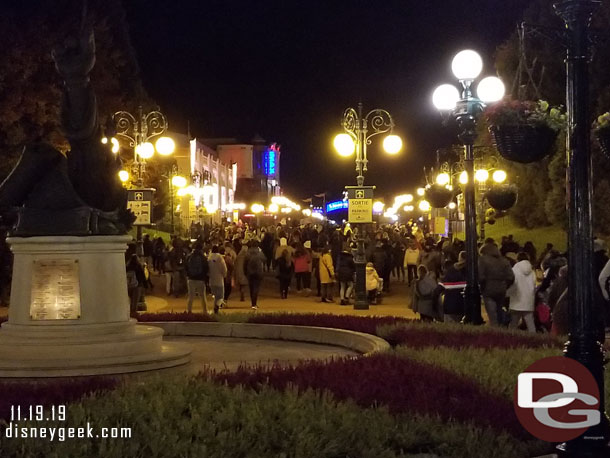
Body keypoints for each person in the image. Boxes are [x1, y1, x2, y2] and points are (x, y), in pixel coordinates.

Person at [479, 241, 515, 326]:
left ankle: (495, 332)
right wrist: (505, 286)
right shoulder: (504, 261)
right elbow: (511, 277)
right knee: (499, 311)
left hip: (488, 290)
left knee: (492, 316)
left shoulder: (483, 260)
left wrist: (482, 287)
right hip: (501, 289)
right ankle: (502, 327)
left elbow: (481, 276)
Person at [507, 252, 536, 333]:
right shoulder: (532, 271)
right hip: (528, 300)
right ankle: (535, 340)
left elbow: (511, 283)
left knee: (513, 324)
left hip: (516, 298)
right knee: (530, 323)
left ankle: (511, 339)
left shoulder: (514, 270)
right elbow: (534, 285)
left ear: (517, 259)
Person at [185, 242, 209, 314]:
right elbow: (206, 268)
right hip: (200, 279)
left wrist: (188, 275)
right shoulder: (203, 257)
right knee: (202, 296)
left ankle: (189, 311)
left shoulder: (189, 256)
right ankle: (205, 311)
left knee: (191, 296)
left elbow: (186, 266)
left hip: (191, 279)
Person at [245, 240, 266, 310]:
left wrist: (245, 271)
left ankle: (252, 303)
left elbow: (245, 262)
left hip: (250, 272)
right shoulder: (259, 252)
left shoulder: (248, 252)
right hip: (258, 271)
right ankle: (254, 303)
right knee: (256, 287)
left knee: (251, 288)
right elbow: (264, 259)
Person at [208, 245, 227, 314]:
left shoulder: (209, 258)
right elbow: (224, 268)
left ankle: (215, 308)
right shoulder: (220, 258)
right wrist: (225, 275)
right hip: (219, 279)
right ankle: (216, 307)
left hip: (211, 280)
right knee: (221, 296)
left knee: (215, 296)